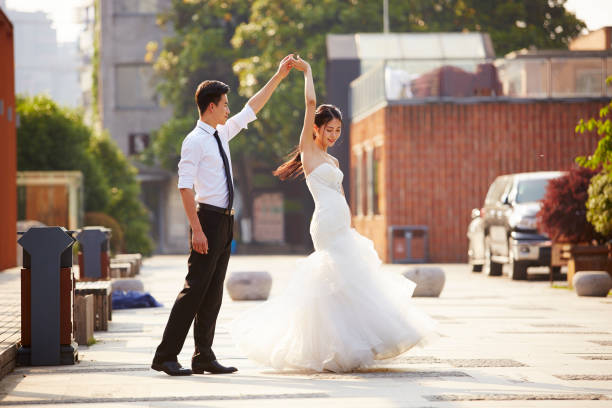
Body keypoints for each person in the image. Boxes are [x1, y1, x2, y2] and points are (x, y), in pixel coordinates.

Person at [230, 56, 437, 372]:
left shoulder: (334, 162)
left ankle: (350, 342)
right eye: (329, 129)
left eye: (338, 130)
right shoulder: (309, 152)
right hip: (325, 225)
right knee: (332, 279)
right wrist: (308, 72)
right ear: (316, 128)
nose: (334, 135)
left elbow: (342, 196)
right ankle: (331, 347)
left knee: (350, 283)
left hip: (341, 226)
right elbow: (311, 101)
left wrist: (351, 224)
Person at [151, 55, 295, 376]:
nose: (229, 109)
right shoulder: (195, 141)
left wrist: (278, 76)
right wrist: (197, 229)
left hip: (226, 221)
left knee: (213, 293)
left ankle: (203, 355)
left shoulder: (221, 133)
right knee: (193, 291)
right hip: (208, 220)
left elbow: (252, 109)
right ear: (211, 106)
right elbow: (184, 188)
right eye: (225, 104)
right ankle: (165, 355)